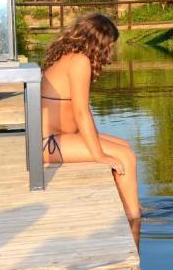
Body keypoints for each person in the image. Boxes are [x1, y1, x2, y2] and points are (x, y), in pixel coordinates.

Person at [41, 13, 141, 221]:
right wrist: (99, 155)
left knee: (125, 146)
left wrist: (96, 139)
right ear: (99, 43)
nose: (111, 52)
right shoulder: (79, 61)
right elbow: (80, 112)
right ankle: (134, 218)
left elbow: (83, 110)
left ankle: (130, 207)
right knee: (125, 156)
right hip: (47, 144)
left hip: (59, 138)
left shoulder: (67, 55)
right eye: (110, 46)